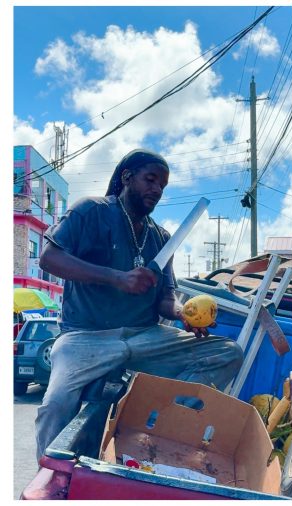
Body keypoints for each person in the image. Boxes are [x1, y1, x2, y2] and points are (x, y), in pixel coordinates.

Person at [35, 149, 244, 461]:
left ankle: (159, 429)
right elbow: (48, 258)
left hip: (145, 337)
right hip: (85, 337)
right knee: (54, 404)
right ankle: (49, 478)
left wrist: (182, 314)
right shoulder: (90, 211)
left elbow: (165, 300)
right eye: (151, 180)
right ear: (127, 178)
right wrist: (117, 278)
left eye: (162, 185)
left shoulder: (161, 237)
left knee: (227, 352)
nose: (157, 189)